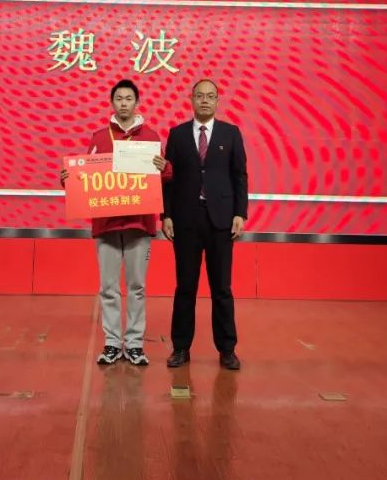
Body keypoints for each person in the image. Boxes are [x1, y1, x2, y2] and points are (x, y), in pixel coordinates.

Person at [61, 79, 170, 365]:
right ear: (112, 103)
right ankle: (111, 343)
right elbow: (84, 179)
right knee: (108, 287)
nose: (123, 103)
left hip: (139, 224)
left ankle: (134, 344)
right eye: (119, 98)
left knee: (137, 287)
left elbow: (165, 176)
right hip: (106, 225)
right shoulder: (99, 138)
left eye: (128, 98)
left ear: (137, 102)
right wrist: (69, 179)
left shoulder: (150, 137)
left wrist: (165, 167)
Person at [161, 79, 248, 371]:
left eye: (211, 96)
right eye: (200, 96)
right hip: (186, 220)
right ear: (191, 99)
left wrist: (240, 213)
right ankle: (180, 348)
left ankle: (227, 349)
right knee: (185, 286)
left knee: (221, 287)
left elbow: (240, 176)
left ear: (218, 100)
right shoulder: (177, 134)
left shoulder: (231, 133)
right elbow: (168, 179)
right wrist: (166, 215)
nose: (205, 101)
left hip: (221, 221)